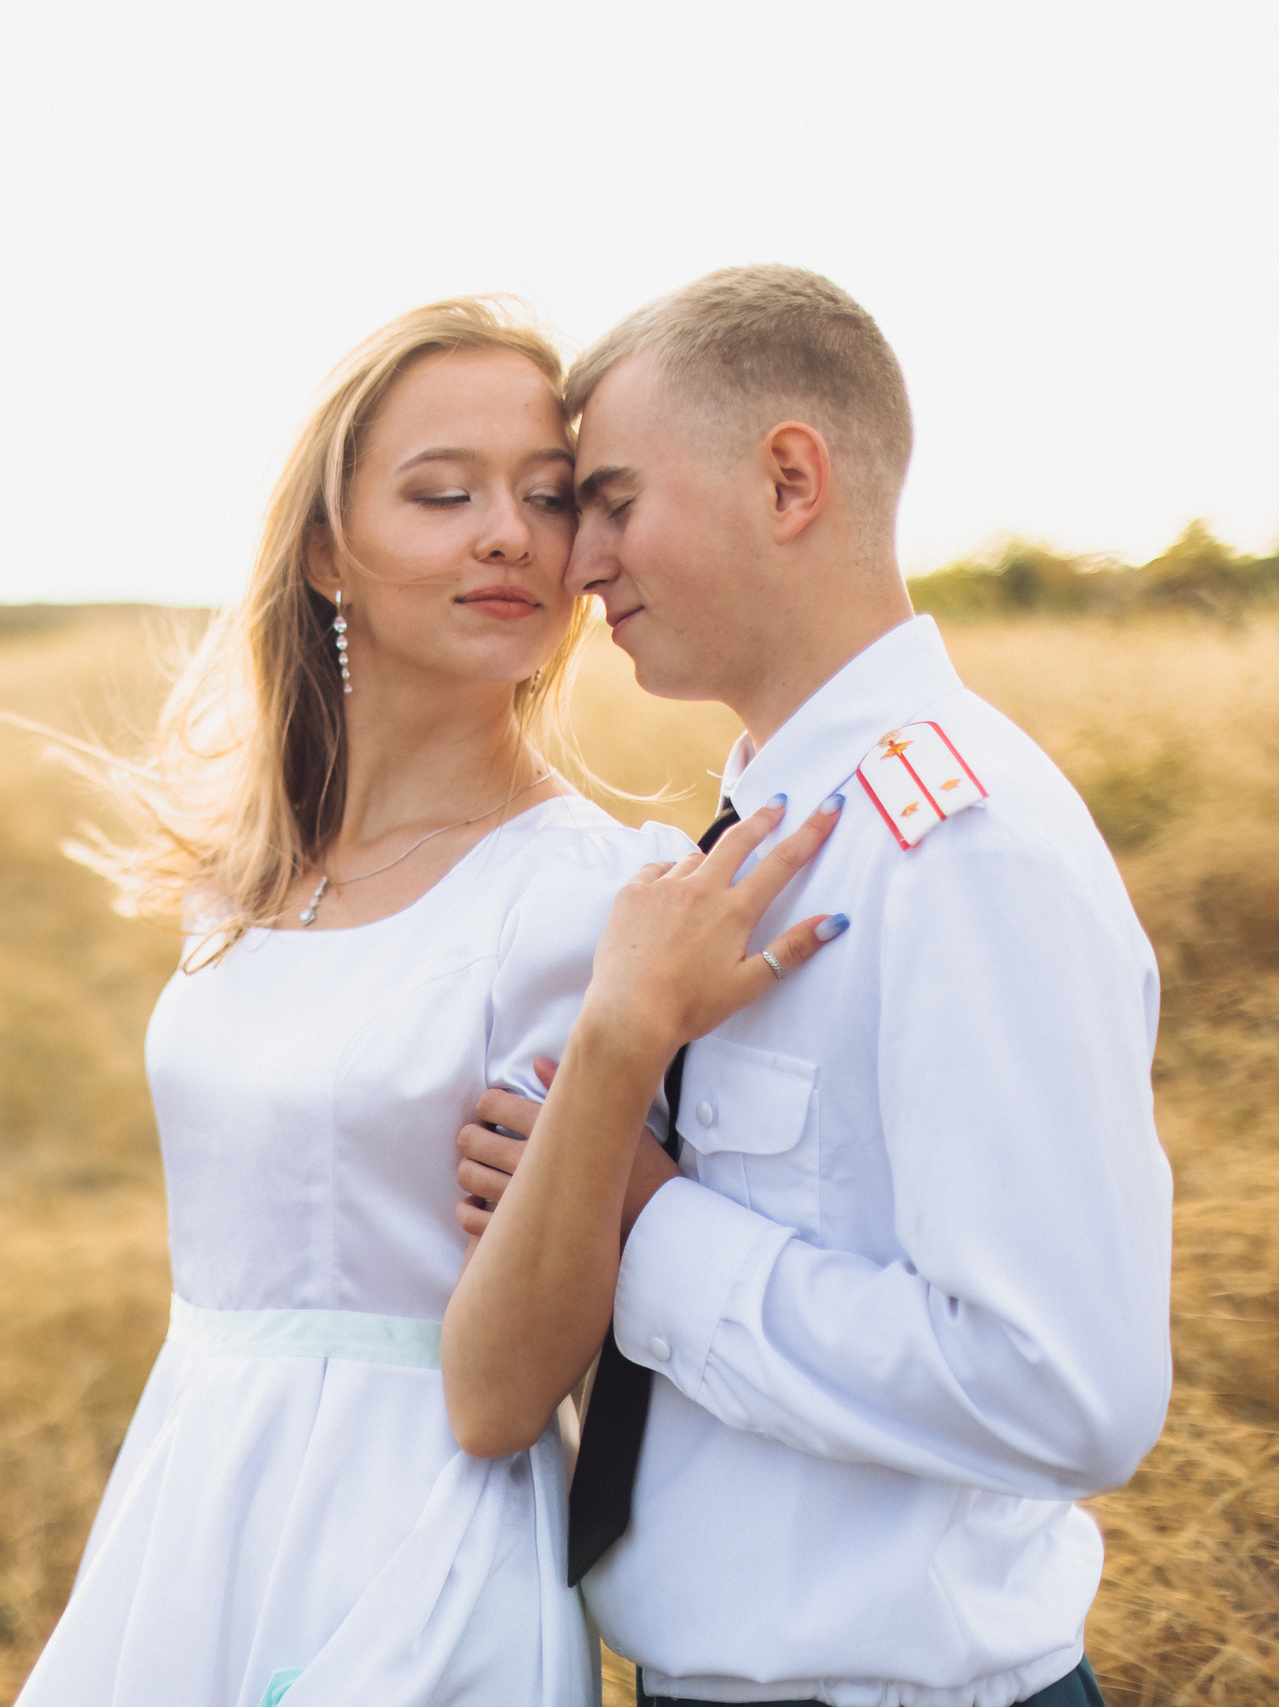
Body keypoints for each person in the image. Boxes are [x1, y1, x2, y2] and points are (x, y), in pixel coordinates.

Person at [13, 298, 826, 1707]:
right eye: (444, 493)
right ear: (328, 548)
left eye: (549, 496)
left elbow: (510, 1394)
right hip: (193, 1497)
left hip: (411, 1547)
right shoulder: (252, 873)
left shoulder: (589, 897)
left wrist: (622, 1048)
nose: (508, 532)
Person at [452, 266, 1174, 1707]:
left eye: (611, 498)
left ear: (790, 479)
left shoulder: (961, 850)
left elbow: (1066, 1391)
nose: (580, 564)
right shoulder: (777, 825)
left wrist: (643, 1226)